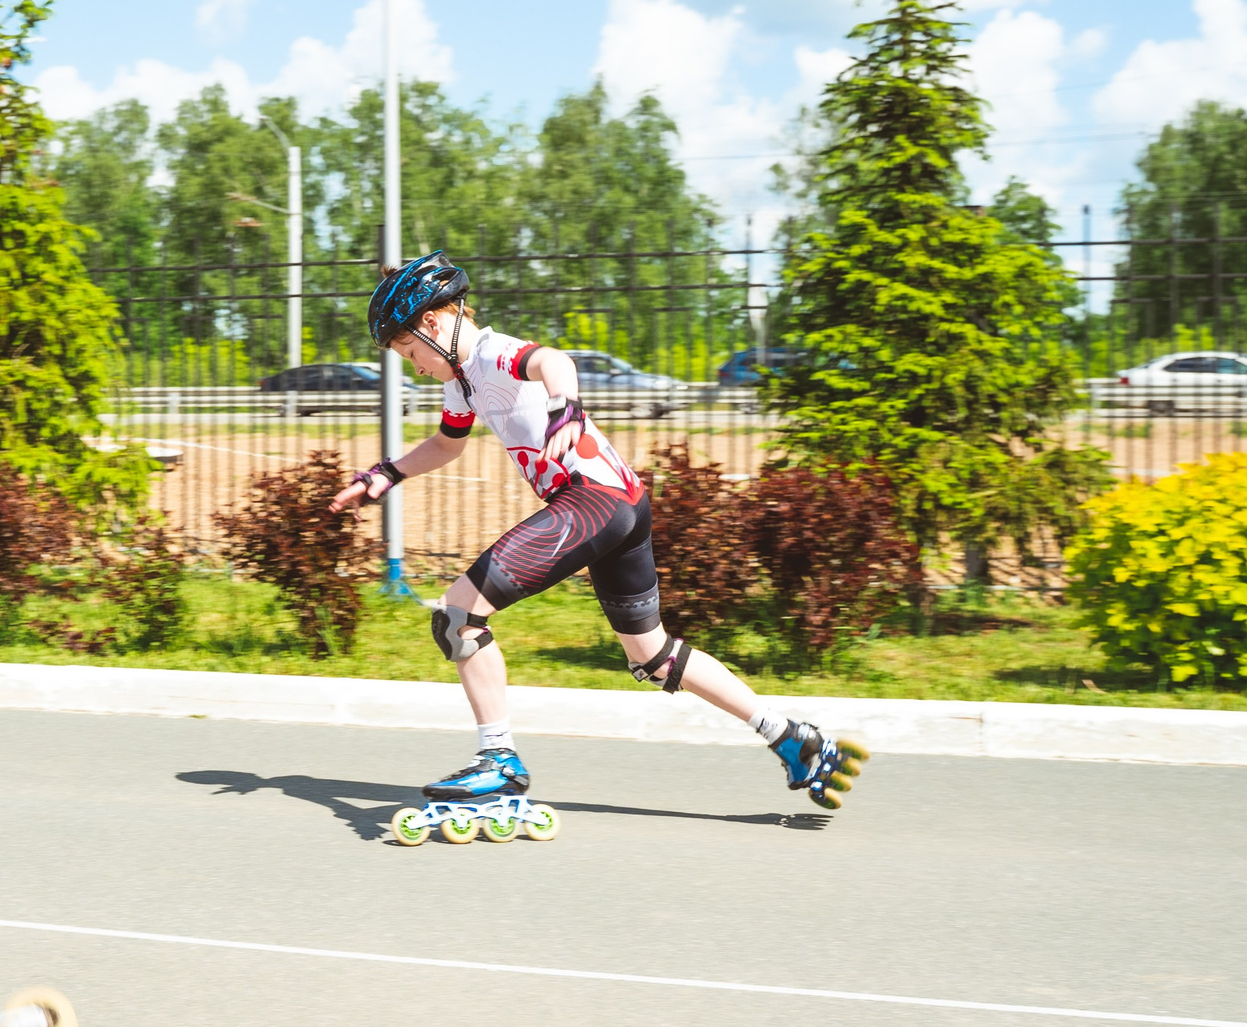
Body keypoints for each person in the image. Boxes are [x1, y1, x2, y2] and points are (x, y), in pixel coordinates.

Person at [329, 249, 865, 816]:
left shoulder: (491, 353)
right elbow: (447, 444)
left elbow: (553, 361)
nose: (411, 364)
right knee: (654, 657)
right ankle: (791, 737)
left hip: (593, 502)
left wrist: (564, 408)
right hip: (625, 504)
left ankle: (499, 760)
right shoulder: (461, 384)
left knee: (458, 615)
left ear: (433, 324)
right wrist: (385, 475)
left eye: (408, 350)